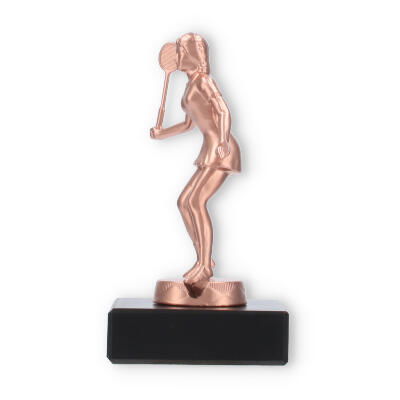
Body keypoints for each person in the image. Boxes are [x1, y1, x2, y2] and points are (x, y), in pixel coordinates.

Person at [150, 33, 241, 296]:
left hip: (221, 149)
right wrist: (162, 134)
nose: (177, 56)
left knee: (196, 202)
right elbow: (189, 124)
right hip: (210, 149)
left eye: (180, 51)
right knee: (184, 202)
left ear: (190, 54)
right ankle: (203, 257)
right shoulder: (191, 85)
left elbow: (223, 110)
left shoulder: (204, 81)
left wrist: (222, 139)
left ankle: (204, 265)